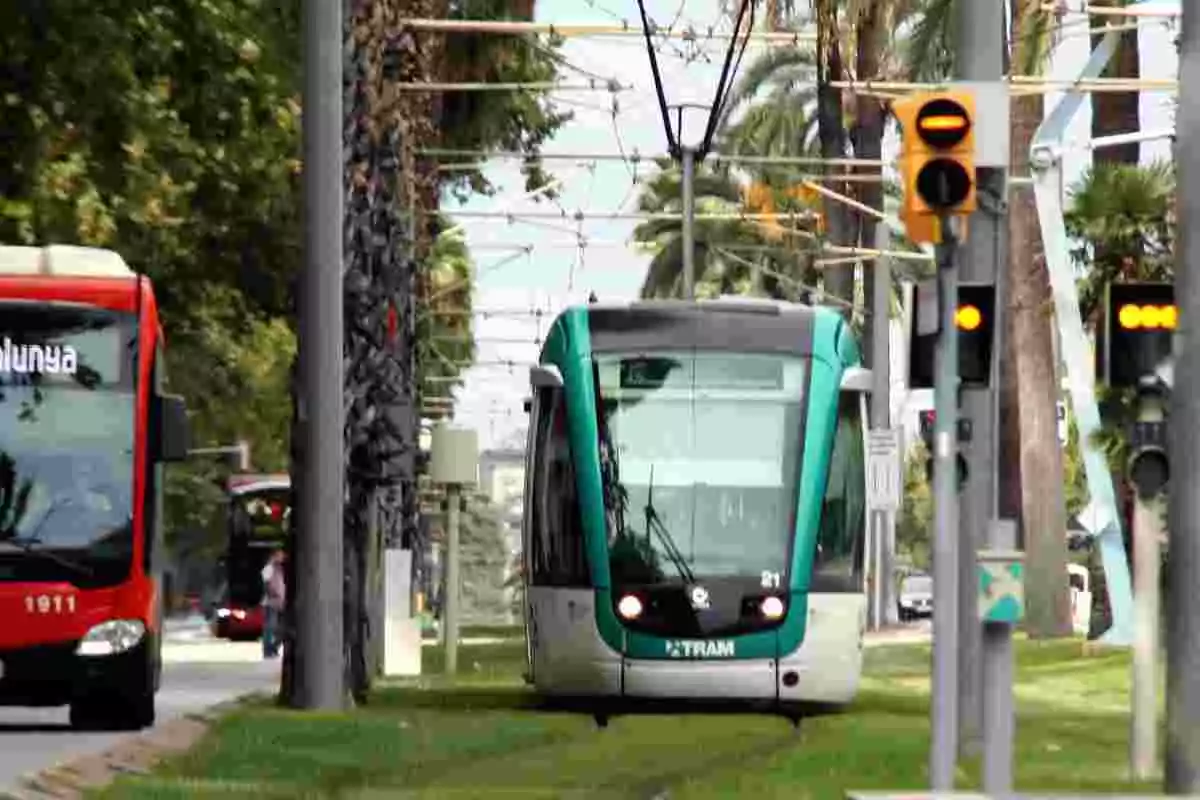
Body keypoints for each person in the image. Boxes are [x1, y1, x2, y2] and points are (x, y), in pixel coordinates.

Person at [260, 549, 286, 658]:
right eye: (280, 556)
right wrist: (274, 594)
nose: (282, 558)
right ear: (274, 556)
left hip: (278, 602)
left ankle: (273, 648)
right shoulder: (269, 568)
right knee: (270, 627)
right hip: (271, 603)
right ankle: (268, 650)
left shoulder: (278, 569)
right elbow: (266, 585)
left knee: (278, 628)